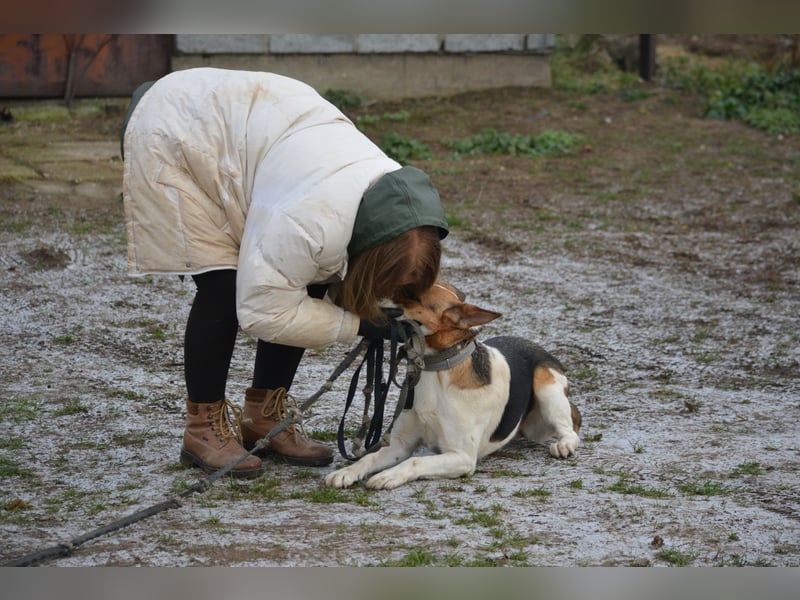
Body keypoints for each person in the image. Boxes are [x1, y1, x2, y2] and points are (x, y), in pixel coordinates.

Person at [121, 68, 449, 479]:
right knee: (223, 286)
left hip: (254, 131)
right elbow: (262, 310)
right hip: (177, 130)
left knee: (310, 277)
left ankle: (263, 415)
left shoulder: (392, 209)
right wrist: (359, 326)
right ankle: (202, 428)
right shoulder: (310, 222)